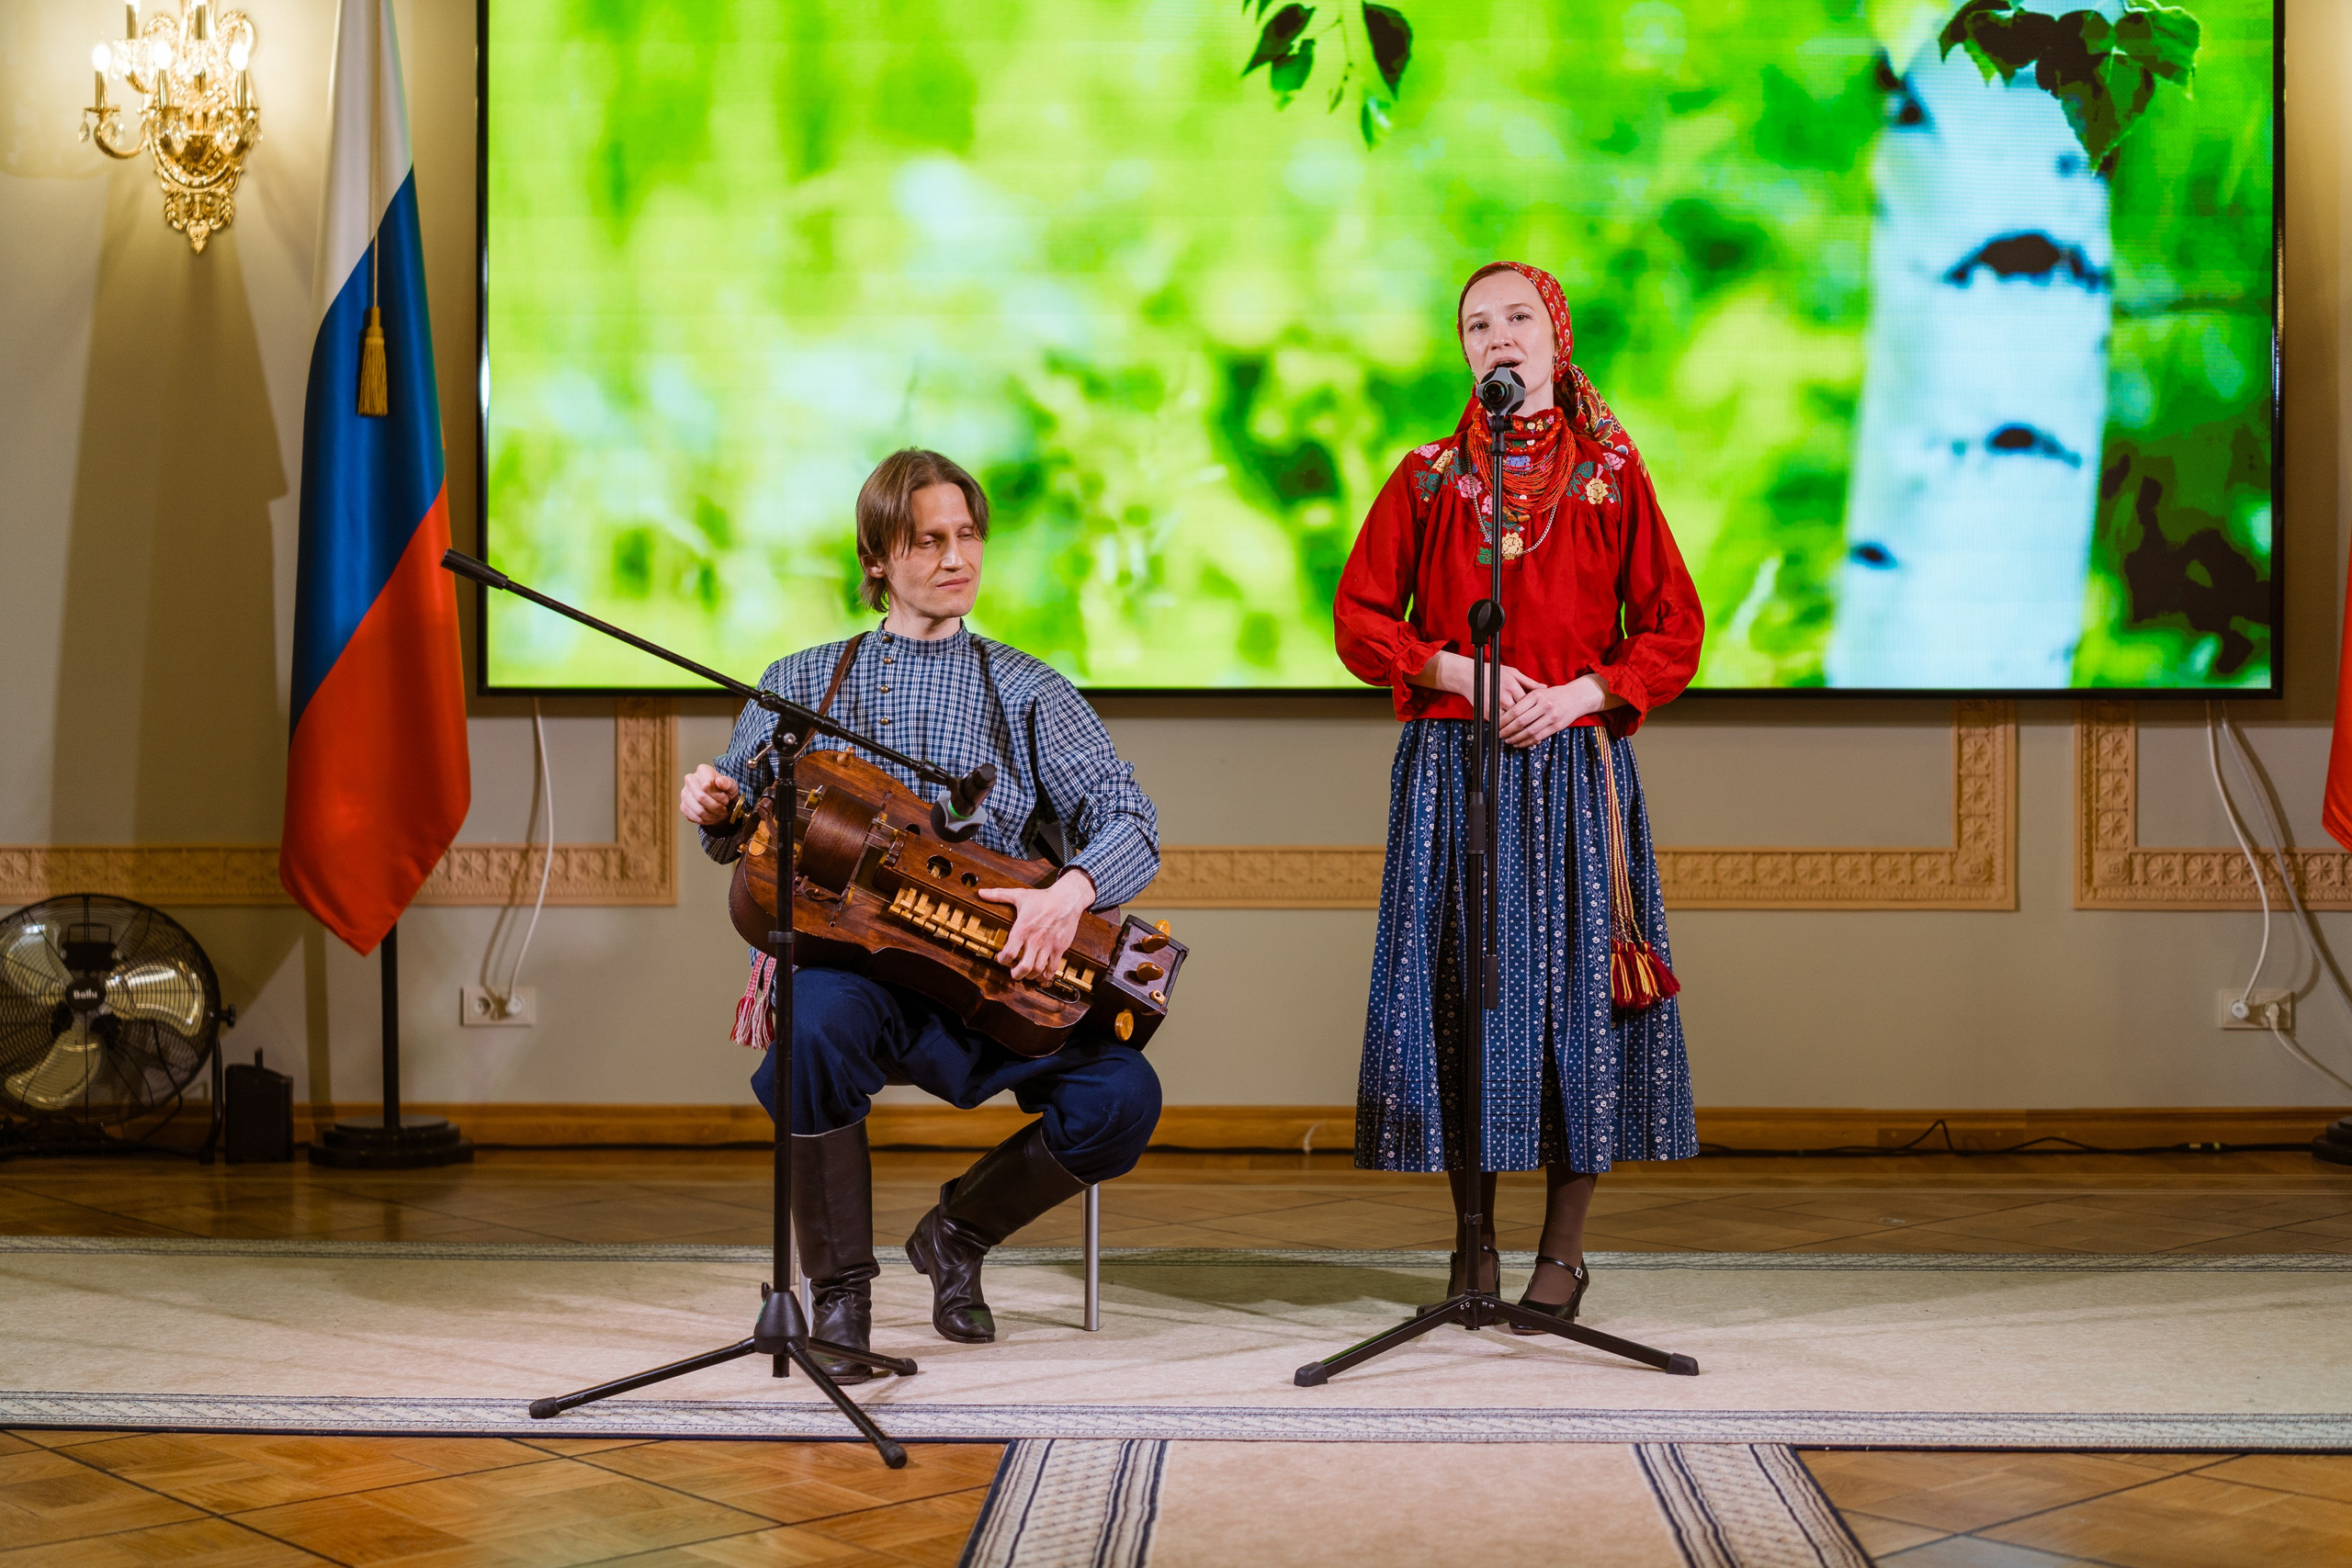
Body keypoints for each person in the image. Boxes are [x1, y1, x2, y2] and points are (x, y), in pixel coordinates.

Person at [679, 448, 1163, 1381]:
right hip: (863, 978)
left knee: (1123, 1099)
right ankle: (840, 1304)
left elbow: (1130, 819)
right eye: (928, 540)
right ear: (876, 558)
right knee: (811, 1030)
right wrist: (715, 803)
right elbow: (736, 824)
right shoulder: (804, 682)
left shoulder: (1030, 689)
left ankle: (956, 1234)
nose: (956, 557)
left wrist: (1068, 894)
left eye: (967, 535)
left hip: (997, 981)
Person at [1333, 261, 1703, 1327]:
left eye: (1516, 319)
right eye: (1475, 324)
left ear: (1556, 338)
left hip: (1575, 770)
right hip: (1455, 770)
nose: (1497, 337)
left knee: (1575, 1006)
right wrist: (1460, 672)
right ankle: (1471, 1240)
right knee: (1468, 998)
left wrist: (1583, 692)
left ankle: (1563, 1255)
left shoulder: (1612, 478)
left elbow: (1672, 628)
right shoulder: (1425, 479)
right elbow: (1360, 617)